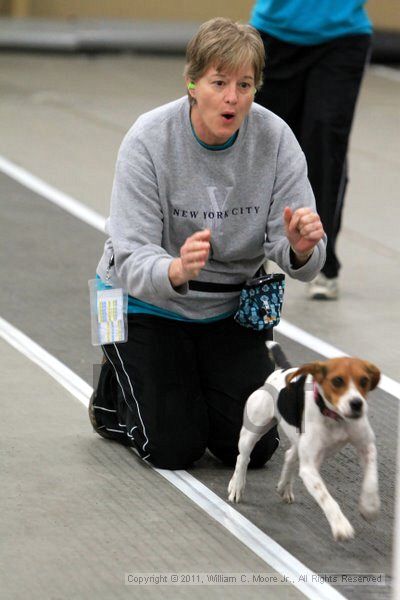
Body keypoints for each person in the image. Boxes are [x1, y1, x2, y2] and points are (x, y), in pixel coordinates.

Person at [88, 17, 326, 470]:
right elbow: (132, 253)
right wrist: (175, 270)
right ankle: (112, 399)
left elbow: (305, 260)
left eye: (245, 84)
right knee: (173, 448)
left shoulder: (276, 140)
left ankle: (186, 377)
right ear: (193, 83)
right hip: (140, 304)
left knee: (255, 448)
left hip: (227, 310)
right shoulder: (148, 139)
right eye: (219, 82)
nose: (233, 97)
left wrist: (298, 249)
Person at [250, 0, 372, 299]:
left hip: (341, 37)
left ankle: (323, 260)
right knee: (257, 146)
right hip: (273, 34)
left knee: (325, 145)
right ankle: (248, 254)